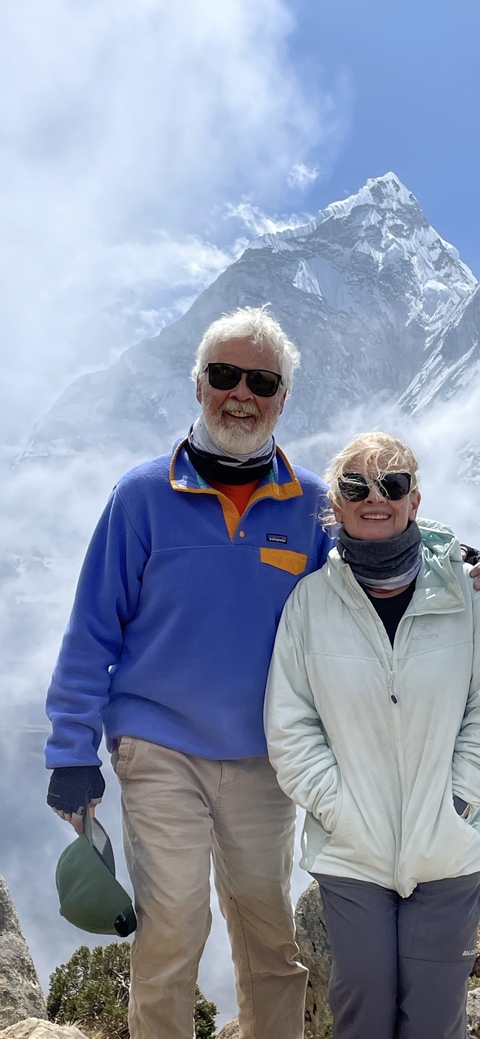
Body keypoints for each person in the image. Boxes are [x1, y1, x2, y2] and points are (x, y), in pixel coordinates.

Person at [44, 307, 335, 1039]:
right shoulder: (140, 496)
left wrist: (445, 565)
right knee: (173, 926)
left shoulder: (308, 507)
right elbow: (91, 632)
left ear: (282, 397)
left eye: (261, 380)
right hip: (158, 746)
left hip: (265, 754)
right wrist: (70, 753)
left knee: (270, 935)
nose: (241, 393)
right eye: (224, 375)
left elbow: (363, 582)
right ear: (198, 382)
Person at [265, 431, 480, 1039]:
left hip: (449, 847)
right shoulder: (310, 604)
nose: (375, 497)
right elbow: (291, 726)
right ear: (335, 504)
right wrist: (341, 808)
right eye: (356, 486)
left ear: (416, 500)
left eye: (394, 484)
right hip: (352, 853)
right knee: (362, 1008)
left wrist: (461, 798)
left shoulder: (467, 593)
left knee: (436, 1019)